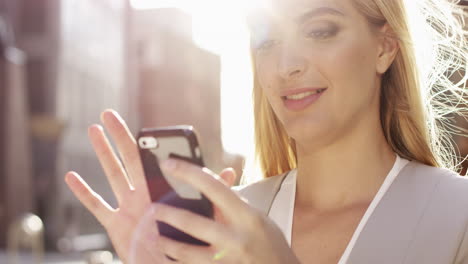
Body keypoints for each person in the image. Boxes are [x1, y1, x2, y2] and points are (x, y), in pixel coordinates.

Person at [64, 0, 468, 263]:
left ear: (384, 48)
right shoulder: (222, 223)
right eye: (267, 40)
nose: (285, 65)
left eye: (320, 30)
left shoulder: (457, 216)